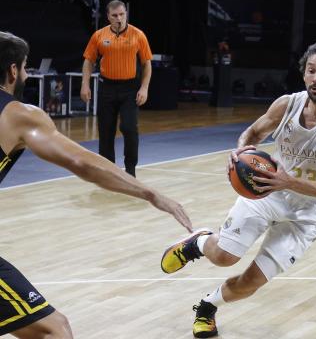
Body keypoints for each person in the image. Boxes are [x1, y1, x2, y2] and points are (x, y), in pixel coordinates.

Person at [160, 41, 316, 338]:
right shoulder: (287, 104)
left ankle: (207, 306)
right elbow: (254, 132)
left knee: (252, 282)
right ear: (304, 74)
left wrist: (289, 181)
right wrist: (241, 150)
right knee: (223, 257)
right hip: (268, 191)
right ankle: (198, 243)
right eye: (311, 71)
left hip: (310, 211)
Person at [0, 31, 192, 338]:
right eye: (24, 67)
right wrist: (151, 193)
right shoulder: (18, 115)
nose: (25, 74)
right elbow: (82, 162)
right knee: (54, 331)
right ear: (13, 70)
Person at [80, 0, 152, 177]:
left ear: (126, 14)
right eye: (115, 15)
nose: (119, 18)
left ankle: (130, 170)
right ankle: (108, 172)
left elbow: (147, 64)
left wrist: (144, 88)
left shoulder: (138, 35)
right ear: (108, 17)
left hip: (130, 89)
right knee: (105, 130)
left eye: (122, 14)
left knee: (129, 127)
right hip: (107, 87)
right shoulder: (99, 35)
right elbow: (88, 61)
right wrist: (85, 84)